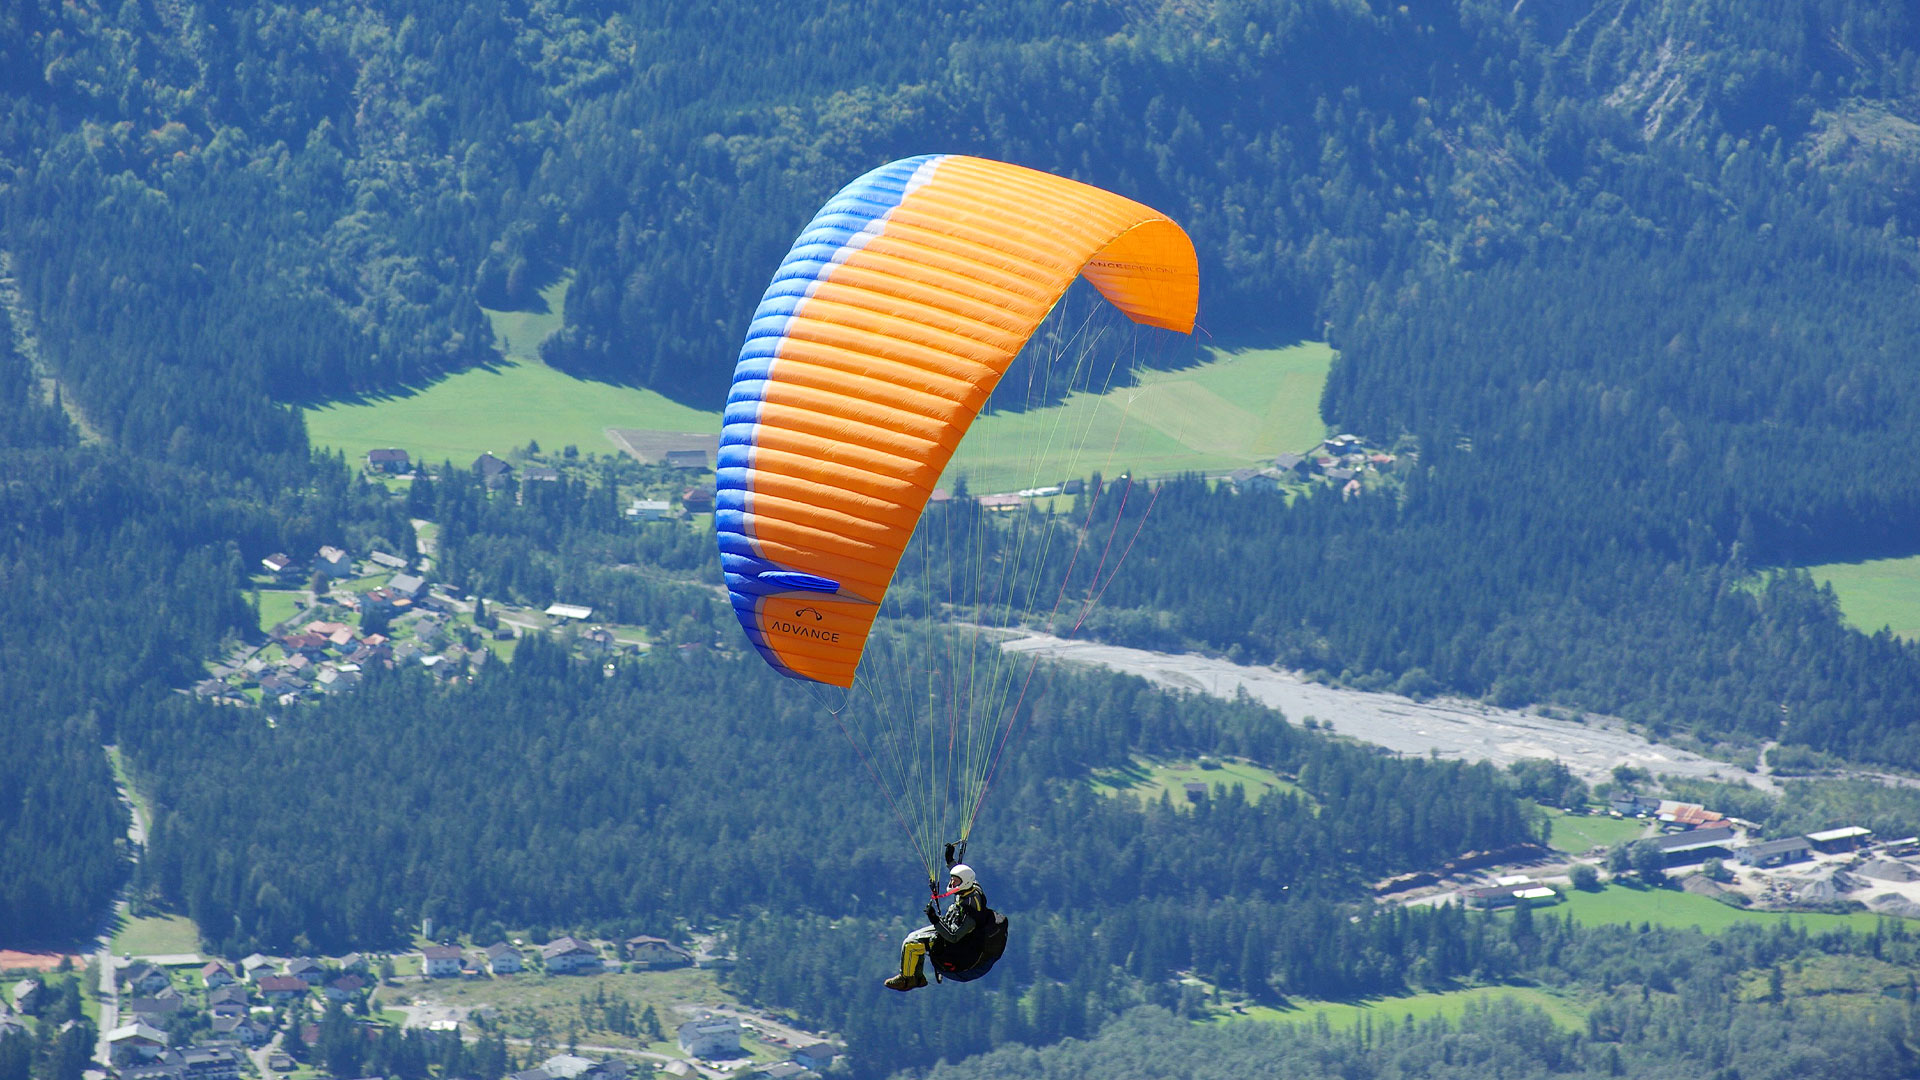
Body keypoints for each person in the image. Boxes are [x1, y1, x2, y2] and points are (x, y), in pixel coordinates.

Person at [884, 864, 986, 991]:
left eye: (955, 881)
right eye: (952, 879)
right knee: (912, 936)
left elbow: (954, 937)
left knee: (910, 945)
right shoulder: (973, 888)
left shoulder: (971, 910)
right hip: (948, 927)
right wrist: (950, 862)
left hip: (954, 944)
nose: (952, 883)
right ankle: (918, 977)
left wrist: (934, 919)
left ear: (964, 883)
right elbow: (965, 874)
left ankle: (907, 980)